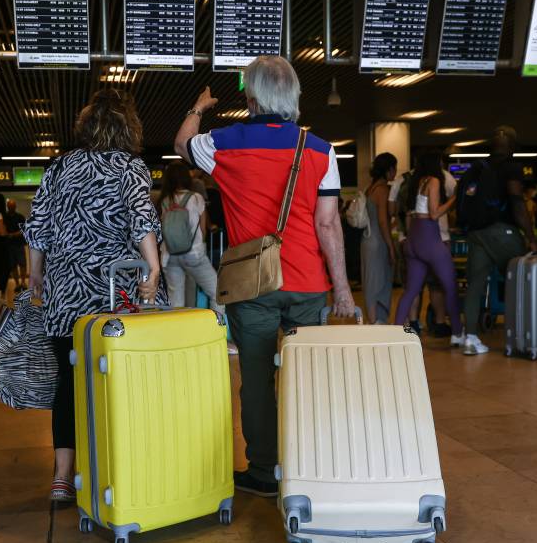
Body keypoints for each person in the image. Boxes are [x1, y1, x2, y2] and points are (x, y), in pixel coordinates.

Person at [175, 55, 355, 498]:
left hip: (252, 283)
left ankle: (262, 470)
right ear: (293, 96)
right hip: (308, 284)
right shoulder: (320, 149)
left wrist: (199, 107)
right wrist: (344, 292)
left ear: (251, 97)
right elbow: (328, 225)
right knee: (308, 375)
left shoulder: (223, 142)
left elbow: (182, 144)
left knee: (256, 378)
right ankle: (310, 463)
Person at [25, 88, 163, 503]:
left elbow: (37, 226)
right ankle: (118, 468)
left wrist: (35, 272)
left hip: (65, 296)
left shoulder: (60, 167)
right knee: (118, 379)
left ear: (87, 126)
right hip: (113, 294)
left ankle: (63, 478)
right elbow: (141, 218)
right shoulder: (130, 167)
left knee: (69, 384)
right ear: (128, 127)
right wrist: (153, 268)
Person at [460, 126, 537, 355]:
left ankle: (471, 339)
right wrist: (531, 238)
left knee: (475, 285)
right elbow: (517, 202)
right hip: (500, 231)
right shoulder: (511, 168)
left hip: (475, 233)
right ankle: (523, 335)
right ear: (512, 147)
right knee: (522, 279)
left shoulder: (475, 169)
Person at [393, 150, 463, 341]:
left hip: (413, 238)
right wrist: (455, 199)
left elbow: (409, 213)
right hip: (429, 237)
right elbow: (434, 213)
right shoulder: (433, 180)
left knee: (411, 291)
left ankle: (393, 333)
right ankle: (458, 333)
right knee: (450, 286)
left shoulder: (415, 181)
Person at [157, 161, 221, 312]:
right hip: (193, 254)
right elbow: (203, 229)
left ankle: (177, 334)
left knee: (175, 301)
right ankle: (216, 329)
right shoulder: (196, 198)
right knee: (217, 292)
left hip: (169, 255)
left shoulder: (164, 201)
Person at [360, 153, 397, 324]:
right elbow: (383, 221)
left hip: (367, 240)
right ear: (389, 170)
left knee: (370, 280)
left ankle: (373, 320)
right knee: (378, 281)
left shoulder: (371, 188)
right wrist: (391, 247)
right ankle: (376, 322)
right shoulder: (382, 190)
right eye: (394, 168)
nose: (395, 172)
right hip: (378, 241)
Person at [3, 199, 28, 293]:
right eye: (9, 206)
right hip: (9, 245)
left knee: (22, 264)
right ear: (7, 207)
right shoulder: (4, 217)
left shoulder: (20, 217)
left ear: (15, 207)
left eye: (13, 206)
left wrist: (13, 235)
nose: (11, 208)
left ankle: (23, 283)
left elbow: (24, 229)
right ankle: (17, 284)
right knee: (13, 266)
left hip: (19, 244)